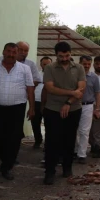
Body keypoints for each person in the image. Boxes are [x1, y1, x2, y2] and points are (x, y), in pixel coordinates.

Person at [0, 43, 35, 180]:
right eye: (8, 51)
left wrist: (32, 108)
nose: (11, 54)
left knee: (14, 137)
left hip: (17, 108)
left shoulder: (25, 69)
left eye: (14, 52)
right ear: (3, 52)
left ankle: (7, 166)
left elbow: (30, 89)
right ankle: (4, 157)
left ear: (17, 54)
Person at [43, 41, 86, 184]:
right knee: (52, 141)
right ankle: (50, 172)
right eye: (61, 56)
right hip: (53, 109)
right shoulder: (49, 68)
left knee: (69, 139)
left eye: (67, 55)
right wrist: (71, 92)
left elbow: (81, 90)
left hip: (73, 109)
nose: (64, 59)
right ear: (56, 55)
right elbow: (50, 88)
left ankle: (67, 168)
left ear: (70, 54)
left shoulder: (79, 68)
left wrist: (68, 102)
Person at [74, 56, 100, 164]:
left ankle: (82, 154)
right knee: (74, 130)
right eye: (84, 63)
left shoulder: (94, 77)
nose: (86, 66)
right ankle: (74, 151)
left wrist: (97, 108)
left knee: (84, 131)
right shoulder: (74, 75)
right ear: (80, 63)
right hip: (74, 105)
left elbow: (98, 93)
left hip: (88, 106)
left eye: (89, 64)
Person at [31, 56, 52, 150]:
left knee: (49, 124)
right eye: (44, 64)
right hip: (36, 102)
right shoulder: (36, 75)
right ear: (41, 65)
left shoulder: (54, 76)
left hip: (50, 103)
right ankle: (38, 140)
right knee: (35, 123)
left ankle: (48, 143)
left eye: (49, 64)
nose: (46, 66)